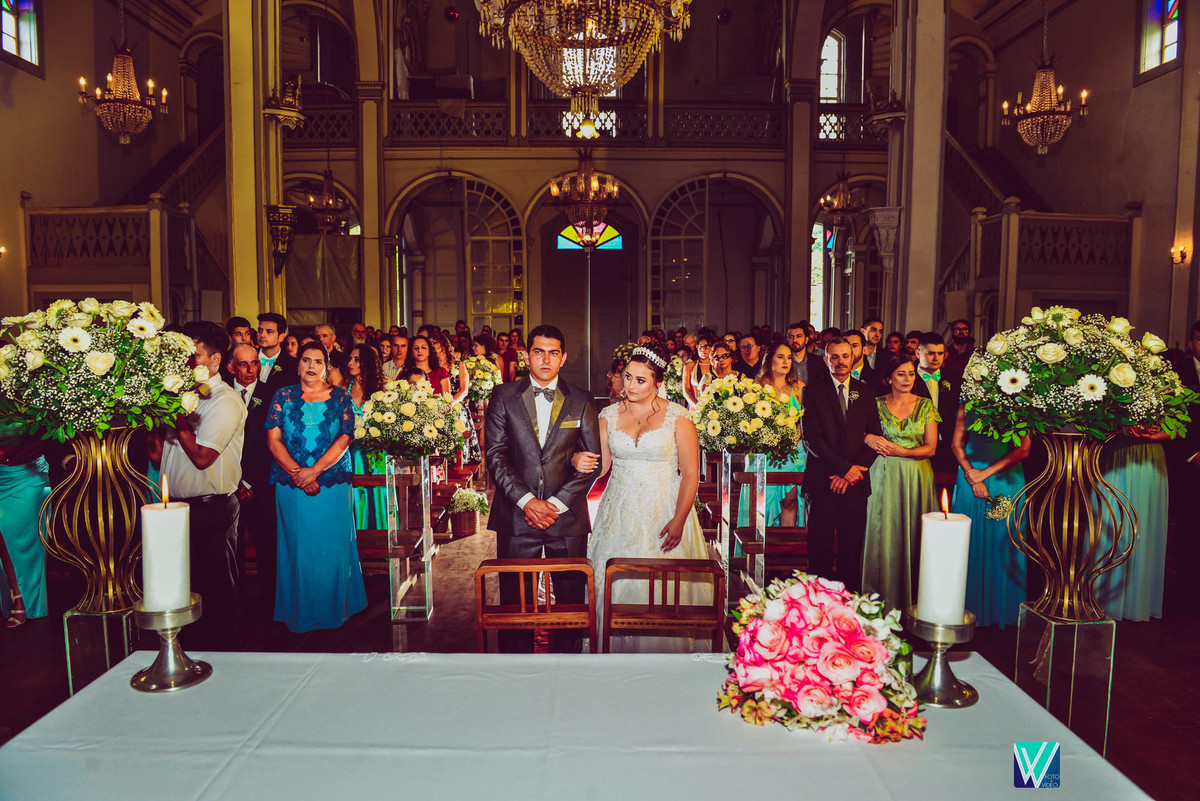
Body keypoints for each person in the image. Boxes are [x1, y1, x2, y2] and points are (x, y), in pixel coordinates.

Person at [572, 342, 710, 652]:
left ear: (657, 382)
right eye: (627, 377)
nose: (630, 386)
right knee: (617, 581)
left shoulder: (678, 417)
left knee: (663, 586)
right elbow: (602, 466)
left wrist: (679, 520)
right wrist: (576, 459)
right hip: (619, 510)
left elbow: (690, 473)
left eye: (640, 380)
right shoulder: (607, 415)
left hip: (665, 509)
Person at [484, 325, 600, 652]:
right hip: (516, 517)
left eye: (553, 353)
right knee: (515, 608)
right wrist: (527, 502)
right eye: (538, 352)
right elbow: (495, 455)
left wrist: (555, 505)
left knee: (570, 608)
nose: (545, 359)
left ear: (563, 358)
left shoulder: (582, 399)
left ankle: (567, 670)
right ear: (526, 356)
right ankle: (516, 672)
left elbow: (592, 460)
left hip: (566, 519)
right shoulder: (503, 396)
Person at [265, 342, 366, 633]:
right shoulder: (282, 395)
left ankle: (335, 610)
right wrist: (299, 474)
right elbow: (273, 440)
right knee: (298, 547)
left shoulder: (342, 397)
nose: (311, 366)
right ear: (297, 364)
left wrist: (315, 472)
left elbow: (346, 438)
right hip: (291, 485)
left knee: (332, 547)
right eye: (306, 360)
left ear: (327, 367)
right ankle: (300, 612)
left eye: (318, 361)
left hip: (332, 484)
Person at [159, 321, 247, 649]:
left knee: (218, 590)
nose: (186, 361)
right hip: (177, 507)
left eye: (193, 354)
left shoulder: (224, 401)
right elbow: (161, 453)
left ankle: (230, 657)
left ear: (214, 359)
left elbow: (202, 457)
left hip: (212, 507)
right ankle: (190, 654)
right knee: (185, 589)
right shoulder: (184, 396)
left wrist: (176, 417)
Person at [801, 338, 882, 591]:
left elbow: (875, 436)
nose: (840, 361)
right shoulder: (812, 392)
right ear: (826, 360)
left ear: (853, 357)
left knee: (852, 551)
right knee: (819, 552)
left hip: (855, 484)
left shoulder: (865, 391)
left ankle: (850, 604)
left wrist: (852, 471)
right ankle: (817, 604)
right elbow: (812, 439)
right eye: (834, 357)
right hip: (822, 482)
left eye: (845, 356)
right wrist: (843, 469)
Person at [861, 355, 939, 613]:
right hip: (882, 474)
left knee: (915, 534)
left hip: (916, 476)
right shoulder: (875, 404)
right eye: (901, 374)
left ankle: (916, 602)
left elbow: (931, 448)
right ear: (889, 378)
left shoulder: (925, 405)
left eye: (911, 374)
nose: (907, 379)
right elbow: (858, 433)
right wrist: (867, 437)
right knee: (883, 533)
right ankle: (878, 600)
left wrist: (903, 452)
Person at [950, 405, 1031, 628]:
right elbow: (956, 444)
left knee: (1002, 543)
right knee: (969, 543)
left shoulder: (1019, 404)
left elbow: (1023, 450)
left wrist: (983, 475)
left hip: (1004, 478)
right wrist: (972, 475)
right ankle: (967, 609)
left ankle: (1002, 611)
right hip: (970, 475)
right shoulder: (966, 405)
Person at [1096, 427, 1170, 621]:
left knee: (1144, 526)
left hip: (1151, 457)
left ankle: (1138, 601)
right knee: (1111, 522)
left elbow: (1184, 427)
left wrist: (1167, 432)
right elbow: (1097, 423)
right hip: (1119, 454)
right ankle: (1101, 597)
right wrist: (1122, 429)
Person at [229, 344, 279, 614]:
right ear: (231, 367)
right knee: (230, 550)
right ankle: (234, 607)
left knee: (267, 547)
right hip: (228, 486)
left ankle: (271, 607)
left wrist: (250, 482)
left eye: (254, 363)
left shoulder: (272, 394)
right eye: (243, 364)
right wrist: (236, 482)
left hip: (261, 484)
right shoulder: (220, 393)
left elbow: (273, 444)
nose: (250, 369)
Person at [739, 343, 806, 528]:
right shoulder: (756, 387)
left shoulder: (798, 387)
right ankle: (759, 542)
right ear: (770, 360)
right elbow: (748, 421)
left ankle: (787, 543)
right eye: (780, 357)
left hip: (793, 453)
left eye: (789, 358)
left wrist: (796, 435)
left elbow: (806, 419)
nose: (786, 362)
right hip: (765, 453)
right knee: (761, 503)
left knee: (790, 501)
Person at [0, 427, 50, 626]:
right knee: (2, 531)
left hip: (27, 473)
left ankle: (22, 597)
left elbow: (49, 434)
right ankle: (16, 593)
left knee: (23, 539)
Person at [347, 344, 389, 532]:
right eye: (350, 358)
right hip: (350, 452)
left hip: (375, 452)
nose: (350, 363)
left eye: (356, 360)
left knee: (378, 495)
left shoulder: (382, 389)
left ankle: (381, 537)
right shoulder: (343, 388)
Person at [911, 332, 961, 476]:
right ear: (918, 353)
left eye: (940, 353)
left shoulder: (955, 377)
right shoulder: (908, 377)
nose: (936, 358)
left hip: (948, 446)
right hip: (916, 445)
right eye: (931, 353)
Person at [256, 312, 299, 389]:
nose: (262, 335)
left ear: (281, 337)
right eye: (260, 330)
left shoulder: (293, 364)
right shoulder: (247, 357)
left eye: (269, 332)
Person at [786, 321, 810, 386]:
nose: (794, 340)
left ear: (806, 340)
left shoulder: (818, 362)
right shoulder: (784, 361)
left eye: (799, 336)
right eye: (791, 337)